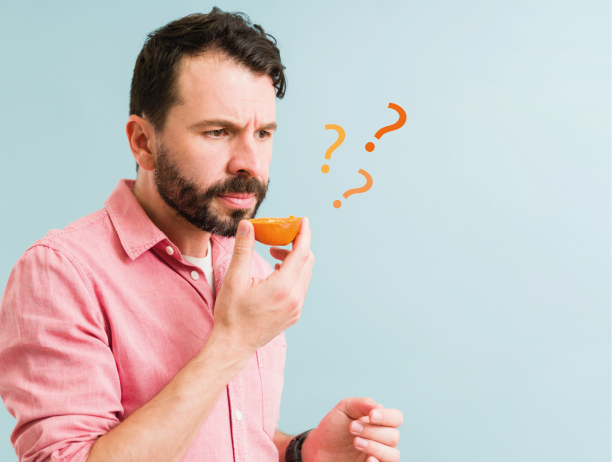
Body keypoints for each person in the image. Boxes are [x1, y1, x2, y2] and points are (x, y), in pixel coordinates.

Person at [0, 8, 402, 462]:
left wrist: (301, 453)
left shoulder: (247, 266)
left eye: (264, 133)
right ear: (143, 143)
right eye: (217, 131)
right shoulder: (60, 275)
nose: (249, 162)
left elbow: (224, 433)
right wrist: (232, 342)